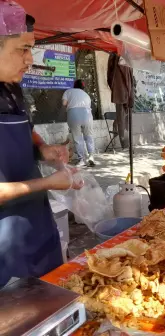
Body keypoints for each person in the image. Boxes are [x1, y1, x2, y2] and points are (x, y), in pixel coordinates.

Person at [0, 2, 81, 287]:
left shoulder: (11, 87)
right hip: (4, 245)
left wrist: (44, 149)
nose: (29, 59)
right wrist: (48, 183)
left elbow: (26, 130)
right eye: (22, 49)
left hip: (36, 226)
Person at [62, 79, 96, 167]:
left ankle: (82, 159)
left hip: (74, 114)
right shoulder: (86, 95)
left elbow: (64, 103)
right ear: (82, 87)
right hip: (87, 114)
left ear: (74, 85)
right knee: (89, 136)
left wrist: (71, 103)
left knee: (77, 138)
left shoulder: (68, 91)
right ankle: (91, 156)